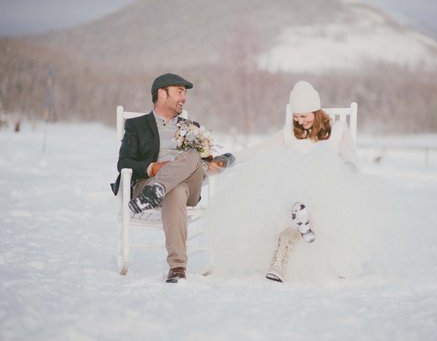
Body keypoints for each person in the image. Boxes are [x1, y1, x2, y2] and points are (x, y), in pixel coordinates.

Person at [207, 81, 390, 283]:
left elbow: (350, 159)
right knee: (291, 197)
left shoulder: (337, 129)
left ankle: (287, 255)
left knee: (310, 190)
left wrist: (341, 173)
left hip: (329, 186)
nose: (300, 121)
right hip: (292, 189)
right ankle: (286, 247)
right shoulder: (289, 133)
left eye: (304, 116)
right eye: (296, 117)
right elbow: (259, 149)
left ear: (316, 112)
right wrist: (230, 158)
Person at [111, 73, 225, 283]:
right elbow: (124, 163)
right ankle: (178, 268)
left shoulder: (192, 127)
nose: (184, 98)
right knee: (176, 189)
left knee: (192, 155)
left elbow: (203, 161)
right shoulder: (137, 126)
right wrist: (153, 168)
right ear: (162, 94)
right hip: (149, 184)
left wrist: (215, 162)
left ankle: (158, 190)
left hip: (189, 189)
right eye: (180, 92)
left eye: (185, 93)